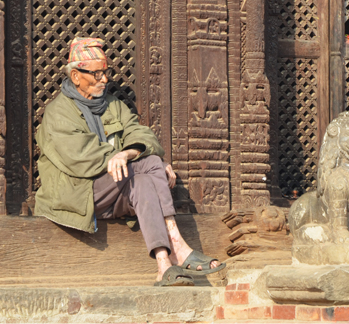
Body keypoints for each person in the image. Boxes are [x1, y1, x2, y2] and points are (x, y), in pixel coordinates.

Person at [35, 37, 225, 286]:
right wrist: (135, 158)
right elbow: (82, 157)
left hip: (114, 191)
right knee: (152, 163)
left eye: (105, 72)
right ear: (75, 76)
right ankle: (178, 246)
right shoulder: (58, 112)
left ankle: (164, 264)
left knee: (144, 181)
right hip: (78, 195)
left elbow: (141, 134)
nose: (104, 79)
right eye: (97, 74)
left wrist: (129, 153)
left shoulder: (112, 105)